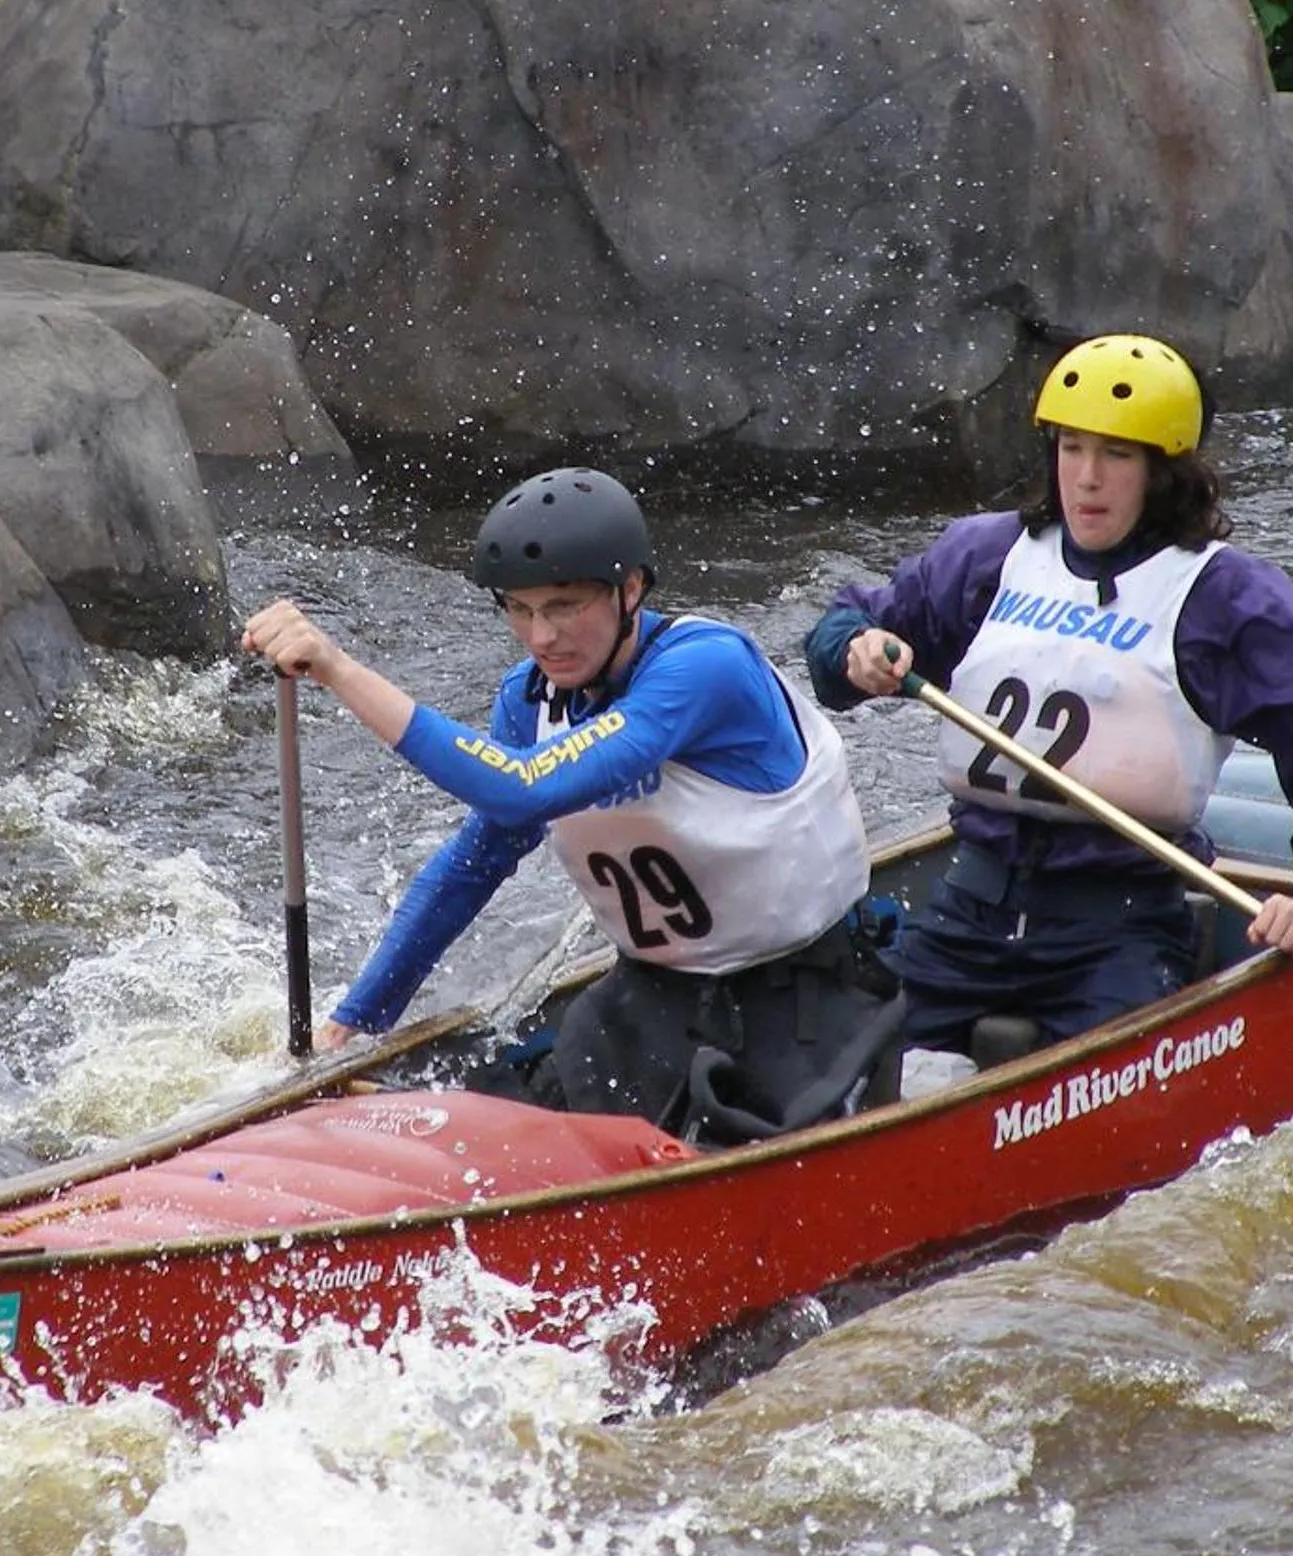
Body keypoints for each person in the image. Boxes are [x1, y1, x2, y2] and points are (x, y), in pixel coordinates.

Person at [241, 467, 902, 1142]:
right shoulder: (528, 701)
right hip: (652, 1002)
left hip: (804, 1002)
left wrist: (339, 669)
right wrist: (354, 1025)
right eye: (520, 610)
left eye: (563, 606)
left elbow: (521, 785)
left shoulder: (706, 668)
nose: (541, 638)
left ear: (632, 589)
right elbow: (473, 865)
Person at [804, 334, 1293, 1066]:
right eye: (1072, 448)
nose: (1086, 479)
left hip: (1120, 922)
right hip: (970, 910)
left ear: (1162, 470)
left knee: (1114, 1090)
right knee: (838, 1075)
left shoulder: (1224, 598)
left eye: (1116, 456)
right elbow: (839, 632)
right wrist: (853, 649)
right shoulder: (987, 556)